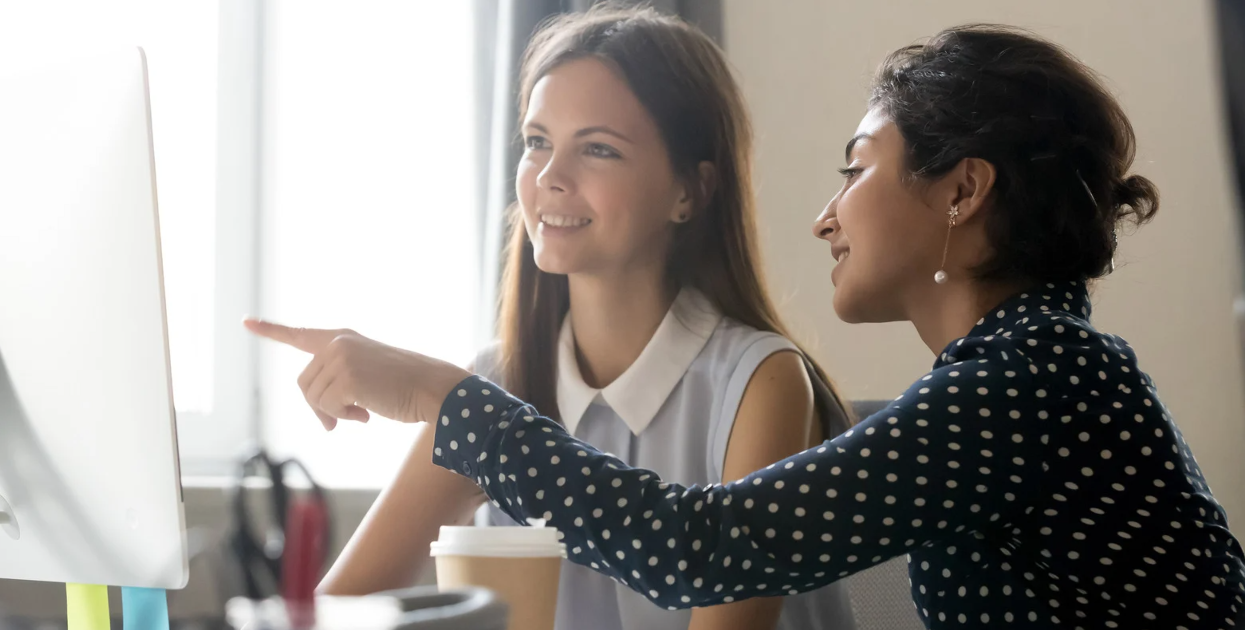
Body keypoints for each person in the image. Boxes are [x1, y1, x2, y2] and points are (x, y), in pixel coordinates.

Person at [249, 23, 1245, 629]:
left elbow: (704, 548)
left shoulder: (1031, 381)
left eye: (855, 169)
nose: (826, 213)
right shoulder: (1029, 372)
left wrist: (441, 399)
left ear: (963, 191)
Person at [247, 7, 857, 630]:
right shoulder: (495, 382)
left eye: (598, 149)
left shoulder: (762, 383)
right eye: (537, 142)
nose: (549, 177)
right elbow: (330, 615)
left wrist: (434, 393)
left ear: (690, 191)